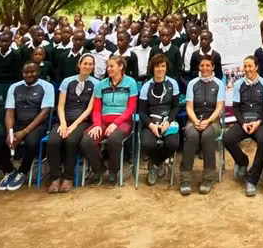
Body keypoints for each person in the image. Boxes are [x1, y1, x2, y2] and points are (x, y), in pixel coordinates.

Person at [0, 62, 54, 191]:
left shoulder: (47, 86)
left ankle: (23, 171)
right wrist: (10, 132)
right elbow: (10, 112)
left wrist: (24, 132)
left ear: (38, 72)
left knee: (32, 142)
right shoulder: (14, 87)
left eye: (32, 72)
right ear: (22, 73)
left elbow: (44, 113)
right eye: (26, 72)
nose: (29, 74)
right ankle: (9, 170)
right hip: (17, 122)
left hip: (37, 124)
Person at [80, 56, 138, 186]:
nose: (108, 69)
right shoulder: (101, 84)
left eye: (111, 66)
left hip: (123, 121)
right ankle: (99, 169)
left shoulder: (131, 83)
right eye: (108, 66)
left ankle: (113, 171)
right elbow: (96, 109)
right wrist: (96, 125)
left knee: (114, 138)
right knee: (86, 141)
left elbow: (131, 108)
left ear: (121, 67)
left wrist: (115, 123)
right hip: (103, 121)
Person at [46, 53, 97, 193]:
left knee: (71, 140)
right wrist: (63, 124)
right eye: (85, 63)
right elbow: (61, 106)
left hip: (82, 122)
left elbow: (89, 109)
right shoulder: (67, 81)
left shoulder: (96, 84)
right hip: (64, 120)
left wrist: (74, 125)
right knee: (52, 141)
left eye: (90, 64)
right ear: (79, 65)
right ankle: (55, 178)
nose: (87, 66)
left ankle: (68, 177)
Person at [223, 56, 263, 196]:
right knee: (227, 139)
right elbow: (236, 108)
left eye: (250, 66)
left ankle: (252, 179)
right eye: (245, 66)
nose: (247, 69)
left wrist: (258, 122)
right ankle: (242, 161)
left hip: (259, 121)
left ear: (256, 67)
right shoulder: (239, 84)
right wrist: (243, 123)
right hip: (243, 121)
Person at [181, 56, 226, 195]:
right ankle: (185, 179)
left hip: (213, 121)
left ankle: (208, 178)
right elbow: (189, 107)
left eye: (208, 65)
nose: (205, 68)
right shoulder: (192, 83)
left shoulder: (219, 84)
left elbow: (219, 107)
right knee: (191, 135)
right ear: (199, 67)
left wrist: (209, 121)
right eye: (202, 65)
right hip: (194, 120)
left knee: (207, 135)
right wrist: (195, 121)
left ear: (213, 67)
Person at [138, 54, 180, 186]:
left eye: (163, 66)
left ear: (167, 68)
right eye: (157, 66)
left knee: (173, 144)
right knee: (147, 144)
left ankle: (155, 163)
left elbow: (175, 107)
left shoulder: (172, 83)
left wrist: (168, 122)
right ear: (152, 68)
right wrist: (151, 126)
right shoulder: (146, 86)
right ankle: (158, 163)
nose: (160, 69)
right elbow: (142, 112)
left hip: (168, 121)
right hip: (150, 122)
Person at [0, 31, 21, 97]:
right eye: (2, 41)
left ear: (11, 42)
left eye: (6, 41)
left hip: (9, 83)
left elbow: (18, 71)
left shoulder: (16, 54)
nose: (4, 43)